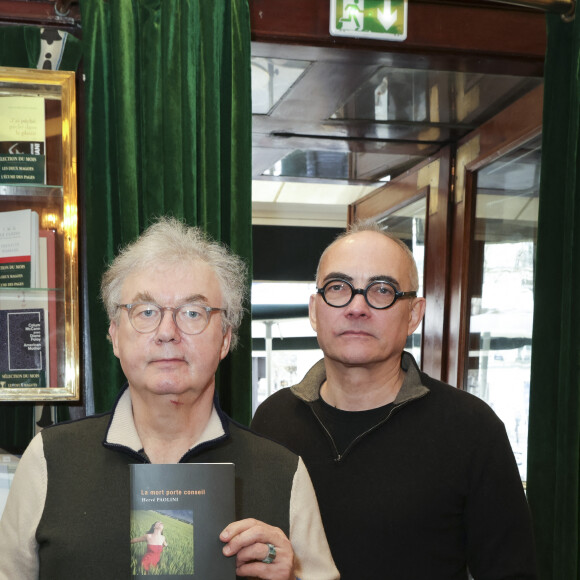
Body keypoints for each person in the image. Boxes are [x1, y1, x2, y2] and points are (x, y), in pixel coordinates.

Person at [0, 216, 339, 580]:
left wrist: (294, 575)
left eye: (192, 313)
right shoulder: (48, 461)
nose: (167, 332)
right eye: (146, 312)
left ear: (225, 338)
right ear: (114, 334)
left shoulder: (285, 473)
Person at [251, 221, 538, 580]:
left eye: (382, 289)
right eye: (338, 288)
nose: (357, 307)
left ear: (414, 314)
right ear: (314, 309)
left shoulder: (471, 429)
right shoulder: (273, 420)